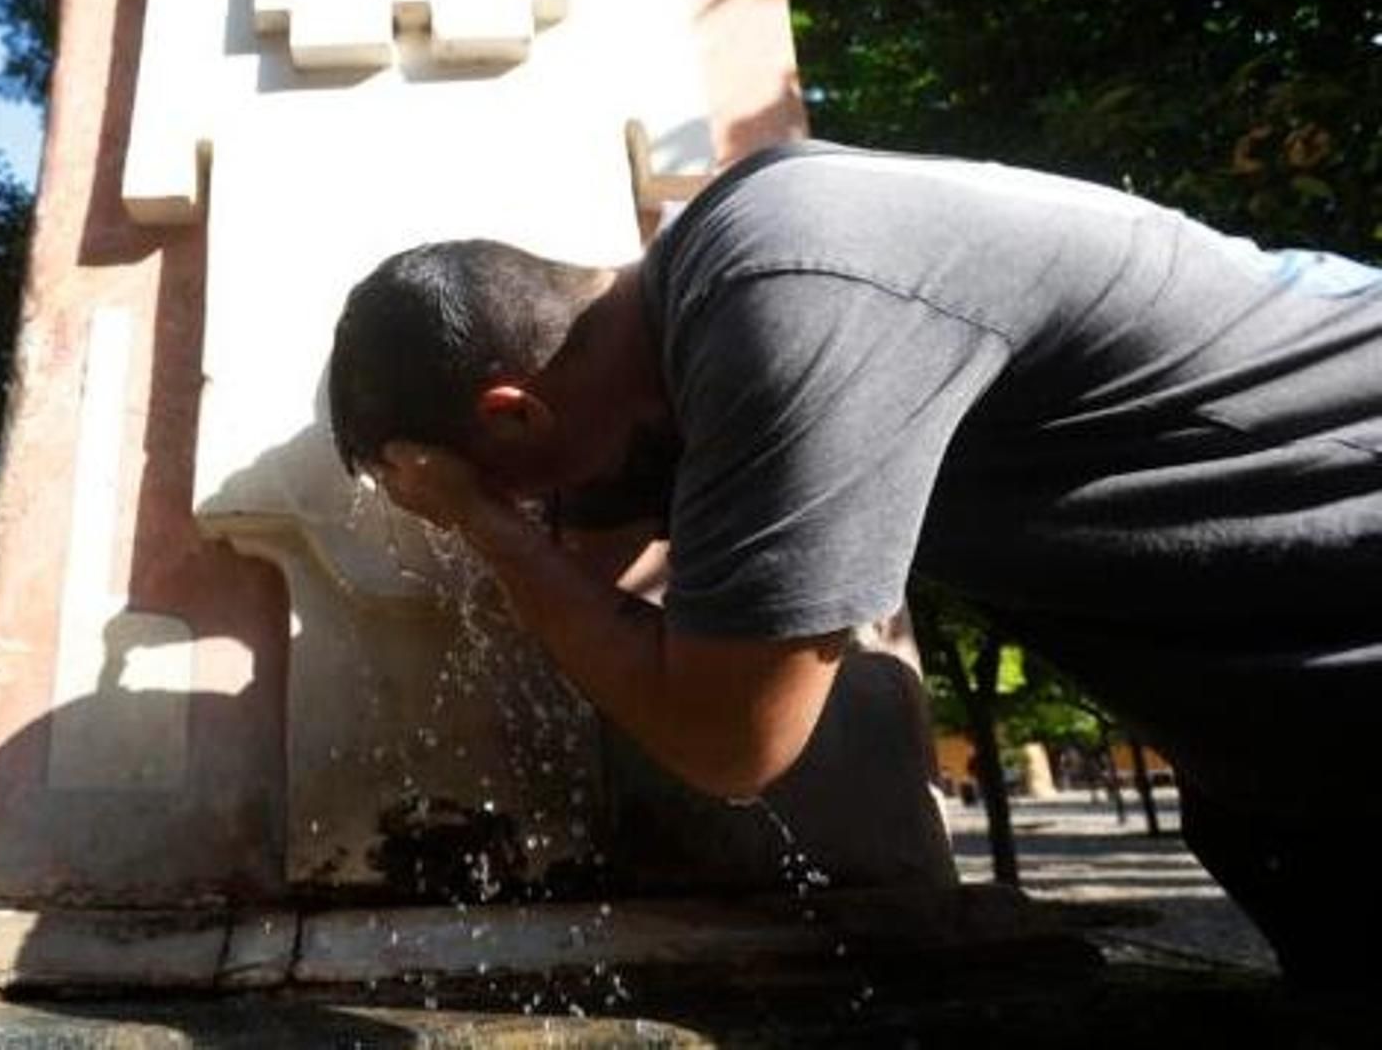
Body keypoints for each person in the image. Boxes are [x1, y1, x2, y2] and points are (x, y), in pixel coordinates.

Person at [325, 140, 1382, 984]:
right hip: (1286, 723)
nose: (532, 516)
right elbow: (589, 580)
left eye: (510, 489)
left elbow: (731, 740)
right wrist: (518, 521)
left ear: (514, 414)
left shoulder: (779, 301)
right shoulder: (710, 297)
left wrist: (488, 526)